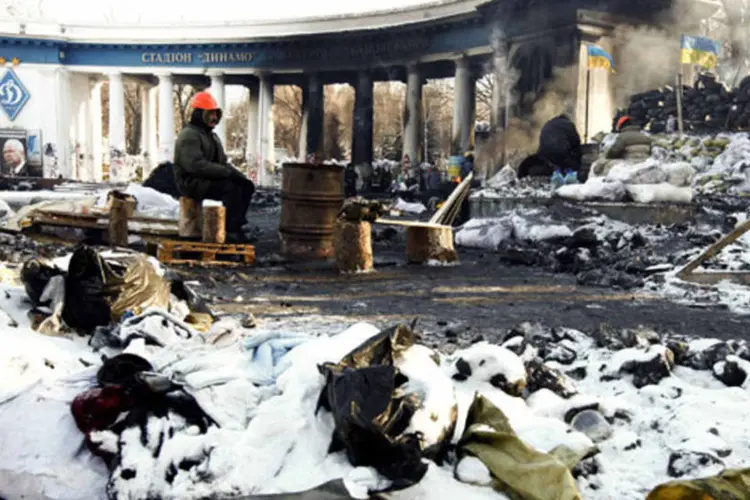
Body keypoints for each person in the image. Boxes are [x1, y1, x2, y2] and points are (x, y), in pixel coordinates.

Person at [173, 91, 255, 242]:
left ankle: (236, 224)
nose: (214, 118)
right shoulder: (189, 135)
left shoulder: (212, 136)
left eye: (216, 113)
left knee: (246, 186)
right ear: (199, 114)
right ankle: (230, 230)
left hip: (205, 178)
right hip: (191, 182)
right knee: (231, 188)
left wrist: (238, 175)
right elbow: (195, 166)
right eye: (210, 113)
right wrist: (225, 173)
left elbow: (222, 162)